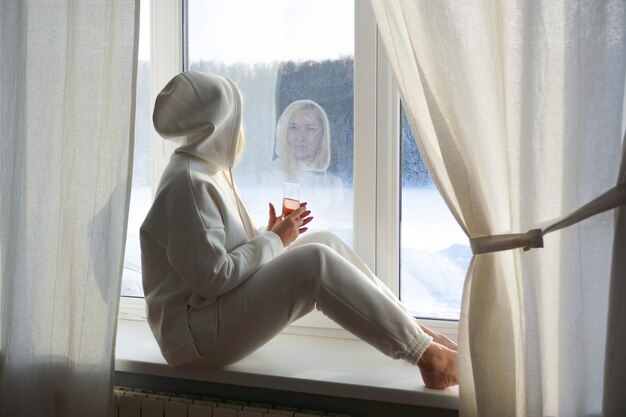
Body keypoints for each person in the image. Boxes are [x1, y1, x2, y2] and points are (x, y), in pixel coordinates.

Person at [141, 71, 458, 390]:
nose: (242, 127)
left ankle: (419, 335)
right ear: (216, 124)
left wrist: (271, 232)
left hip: (209, 318)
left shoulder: (208, 171)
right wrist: (273, 240)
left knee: (325, 242)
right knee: (314, 262)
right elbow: (212, 278)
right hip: (194, 338)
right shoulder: (189, 183)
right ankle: (431, 359)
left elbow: (216, 255)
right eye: (236, 117)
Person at [272, 99, 343, 188]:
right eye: (293, 128)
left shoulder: (334, 184)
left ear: (323, 135)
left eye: (309, 129)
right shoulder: (268, 178)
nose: (300, 137)